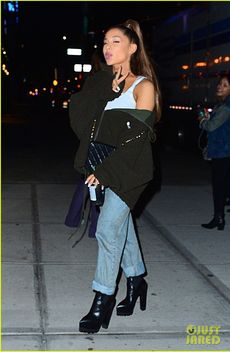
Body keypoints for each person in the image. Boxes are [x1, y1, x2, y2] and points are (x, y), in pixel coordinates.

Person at [69, 19, 161, 333]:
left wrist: (105, 172)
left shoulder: (143, 86)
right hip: (103, 165)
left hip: (130, 170)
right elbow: (80, 118)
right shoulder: (102, 82)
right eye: (105, 42)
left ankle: (102, 298)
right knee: (121, 226)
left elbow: (136, 140)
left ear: (133, 47)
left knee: (108, 229)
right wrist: (104, 95)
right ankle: (136, 280)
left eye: (115, 41)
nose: (107, 48)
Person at [198, 73, 230, 230]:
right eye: (220, 84)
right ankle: (219, 217)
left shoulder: (226, 107)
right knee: (224, 184)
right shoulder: (224, 105)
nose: (220, 87)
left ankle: (218, 218)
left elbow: (211, 126)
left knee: (218, 187)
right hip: (225, 151)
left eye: (225, 85)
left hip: (222, 152)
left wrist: (202, 120)